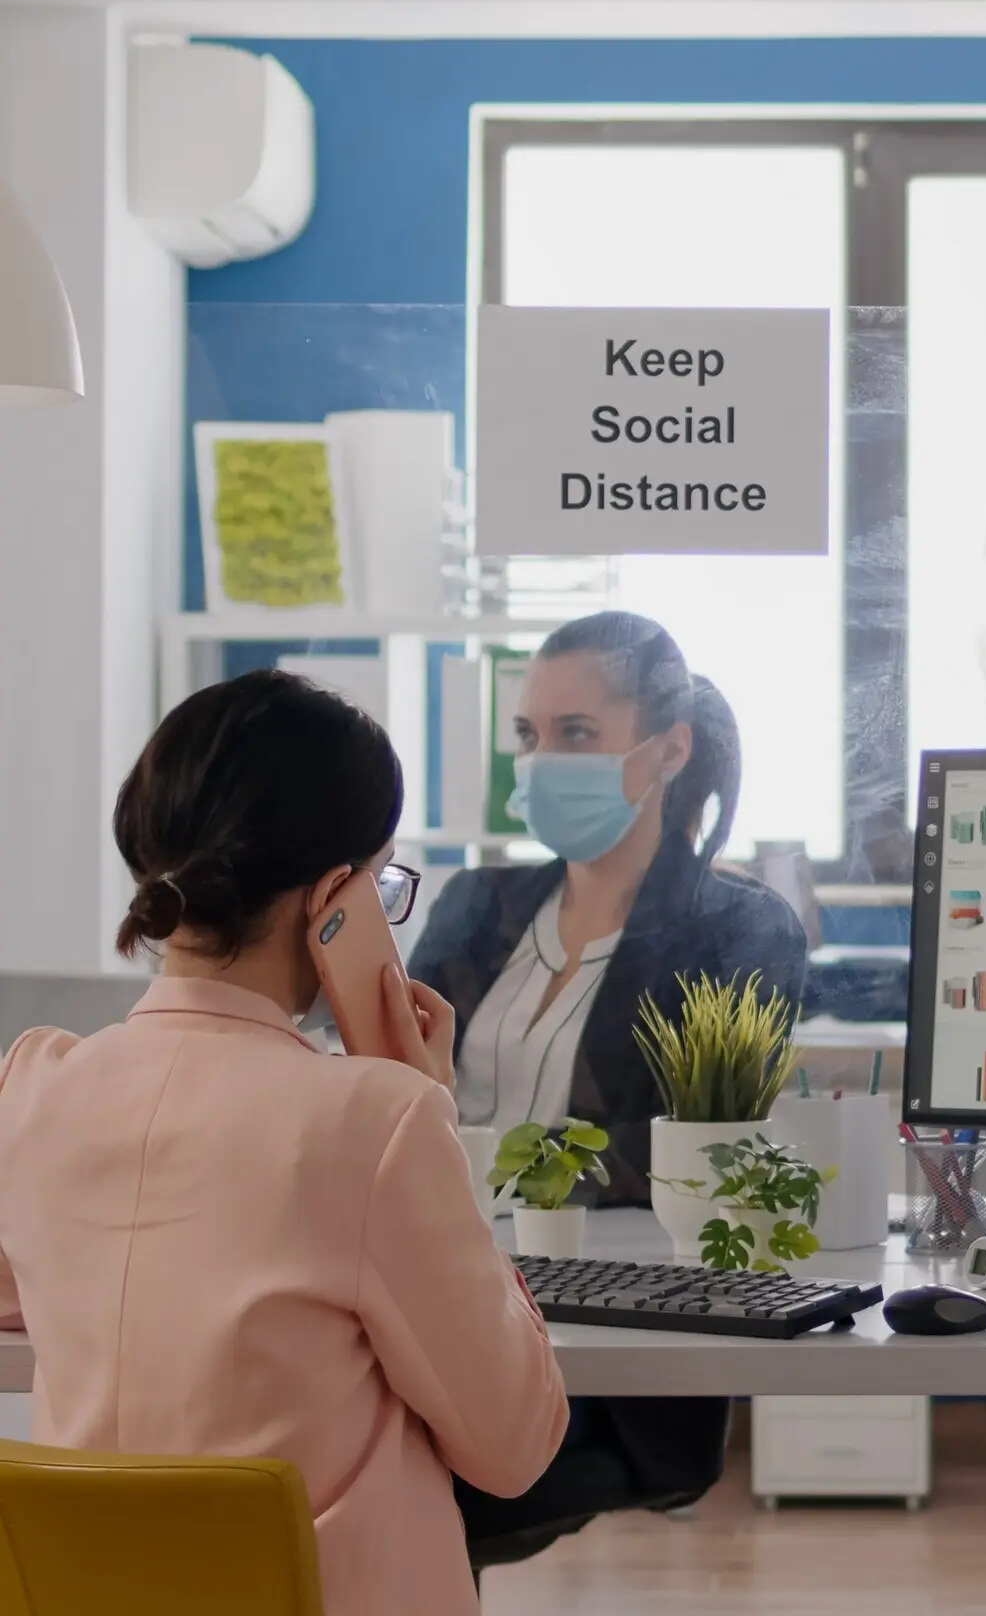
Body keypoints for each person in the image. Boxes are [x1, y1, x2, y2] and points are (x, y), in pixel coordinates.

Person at [0, 671, 567, 1616]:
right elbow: (514, 1447)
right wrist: (423, 1103)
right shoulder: (377, 1120)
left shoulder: (33, 1087)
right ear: (334, 901)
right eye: (382, 885)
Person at [410, 610, 808, 1516]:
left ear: (668, 752)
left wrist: (490, 1166)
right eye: (529, 735)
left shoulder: (739, 931)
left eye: (576, 733)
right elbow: (393, 1080)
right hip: (433, 1295)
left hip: (594, 1332)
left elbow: (699, 1150)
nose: (542, 761)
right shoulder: (479, 904)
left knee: (388, 1482)